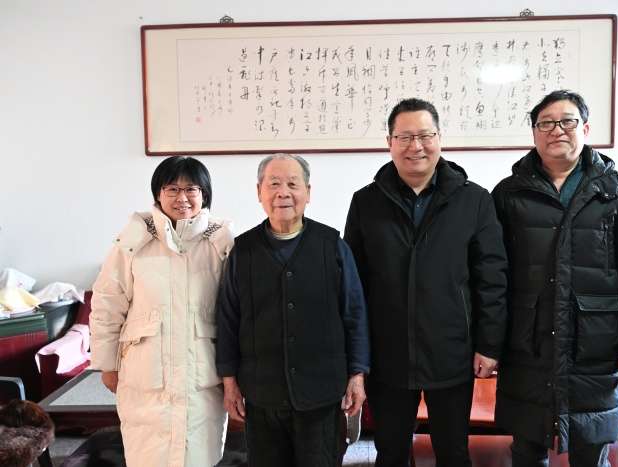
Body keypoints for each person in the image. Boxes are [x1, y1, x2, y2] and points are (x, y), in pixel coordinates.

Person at [491, 90, 618, 467]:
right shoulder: (508, 194)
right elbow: (490, 275)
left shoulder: (617, 192)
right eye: (546, 123)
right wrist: (488, 343)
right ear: (534, 133)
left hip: (595, 345)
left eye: (567, 121)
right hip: (527, 343)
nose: (557, 130)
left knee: (591, 450)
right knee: (526, 448)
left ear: (585, 129)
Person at [344, 98, 508, 467]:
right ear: (389, 142)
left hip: (452, 351)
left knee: (453, 451)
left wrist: (489, 345)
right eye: (404, 137)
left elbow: (492, 279)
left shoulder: (473, 200)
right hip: (387, 354)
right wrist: (357, 356)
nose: (415, 146)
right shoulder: (366, 202)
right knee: (390, 453)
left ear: (439, 139)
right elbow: (354, 287)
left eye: (424, 135)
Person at [215, 153, 370, 467]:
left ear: (308, 193)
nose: (283, 193)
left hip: (321, 392)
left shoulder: (332, 246)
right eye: (273, 184)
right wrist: (229, 382)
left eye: (292, 184)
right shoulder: (243, 251)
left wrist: (357, 375)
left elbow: (354, 314)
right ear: (259, 192)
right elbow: (228, 319)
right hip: (262, 394)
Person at [90, 156, 234, 467]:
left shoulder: (221, 242)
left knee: (198, 456)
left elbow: (237, 312)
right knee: (148, 456)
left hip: (201, 377)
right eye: (172, 189)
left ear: (204, 194)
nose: (182, 198)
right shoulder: (134, 240)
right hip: (146, 376)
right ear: (158, 193)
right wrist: (107, 363)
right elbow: (107, 302)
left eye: (191, 189)